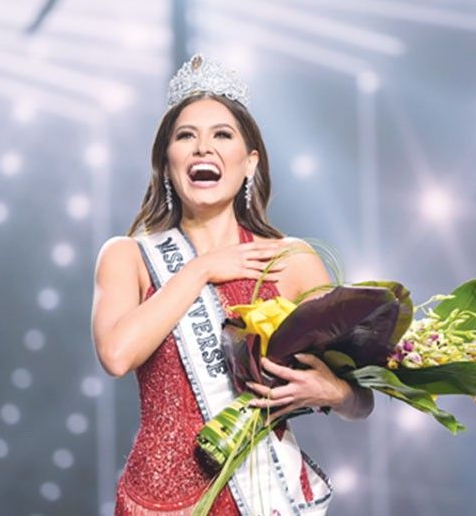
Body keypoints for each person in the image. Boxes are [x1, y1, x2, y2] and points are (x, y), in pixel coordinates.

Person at [91, 54, 373, 515]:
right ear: (168, 161)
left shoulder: (290, 261)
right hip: (159, 502)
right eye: (186, 136)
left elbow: (362, 400)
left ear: (250, 162)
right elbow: (117, 355)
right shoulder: (128, 256)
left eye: (222, 135)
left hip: (265, 496)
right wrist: (200, 269)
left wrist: (334, 393)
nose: (204, 148)